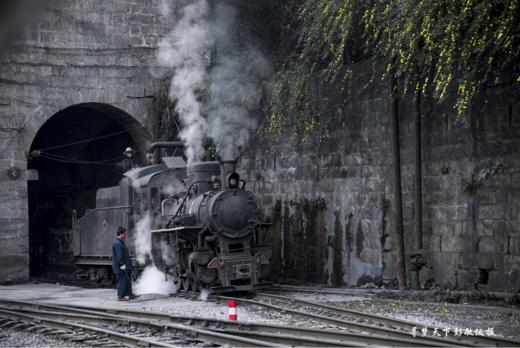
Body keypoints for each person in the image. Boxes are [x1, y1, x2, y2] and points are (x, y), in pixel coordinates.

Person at [112, 226, 136, 301]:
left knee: (127, 280)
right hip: (121, 266)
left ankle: (129, 294)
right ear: (121, 234)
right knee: (122, 281)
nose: (125, 235)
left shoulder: (119, 242)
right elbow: (119, 256)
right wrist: (122, 265)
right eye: (124, 234)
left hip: (125, 265)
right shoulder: (118, 243)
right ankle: (120, 296)